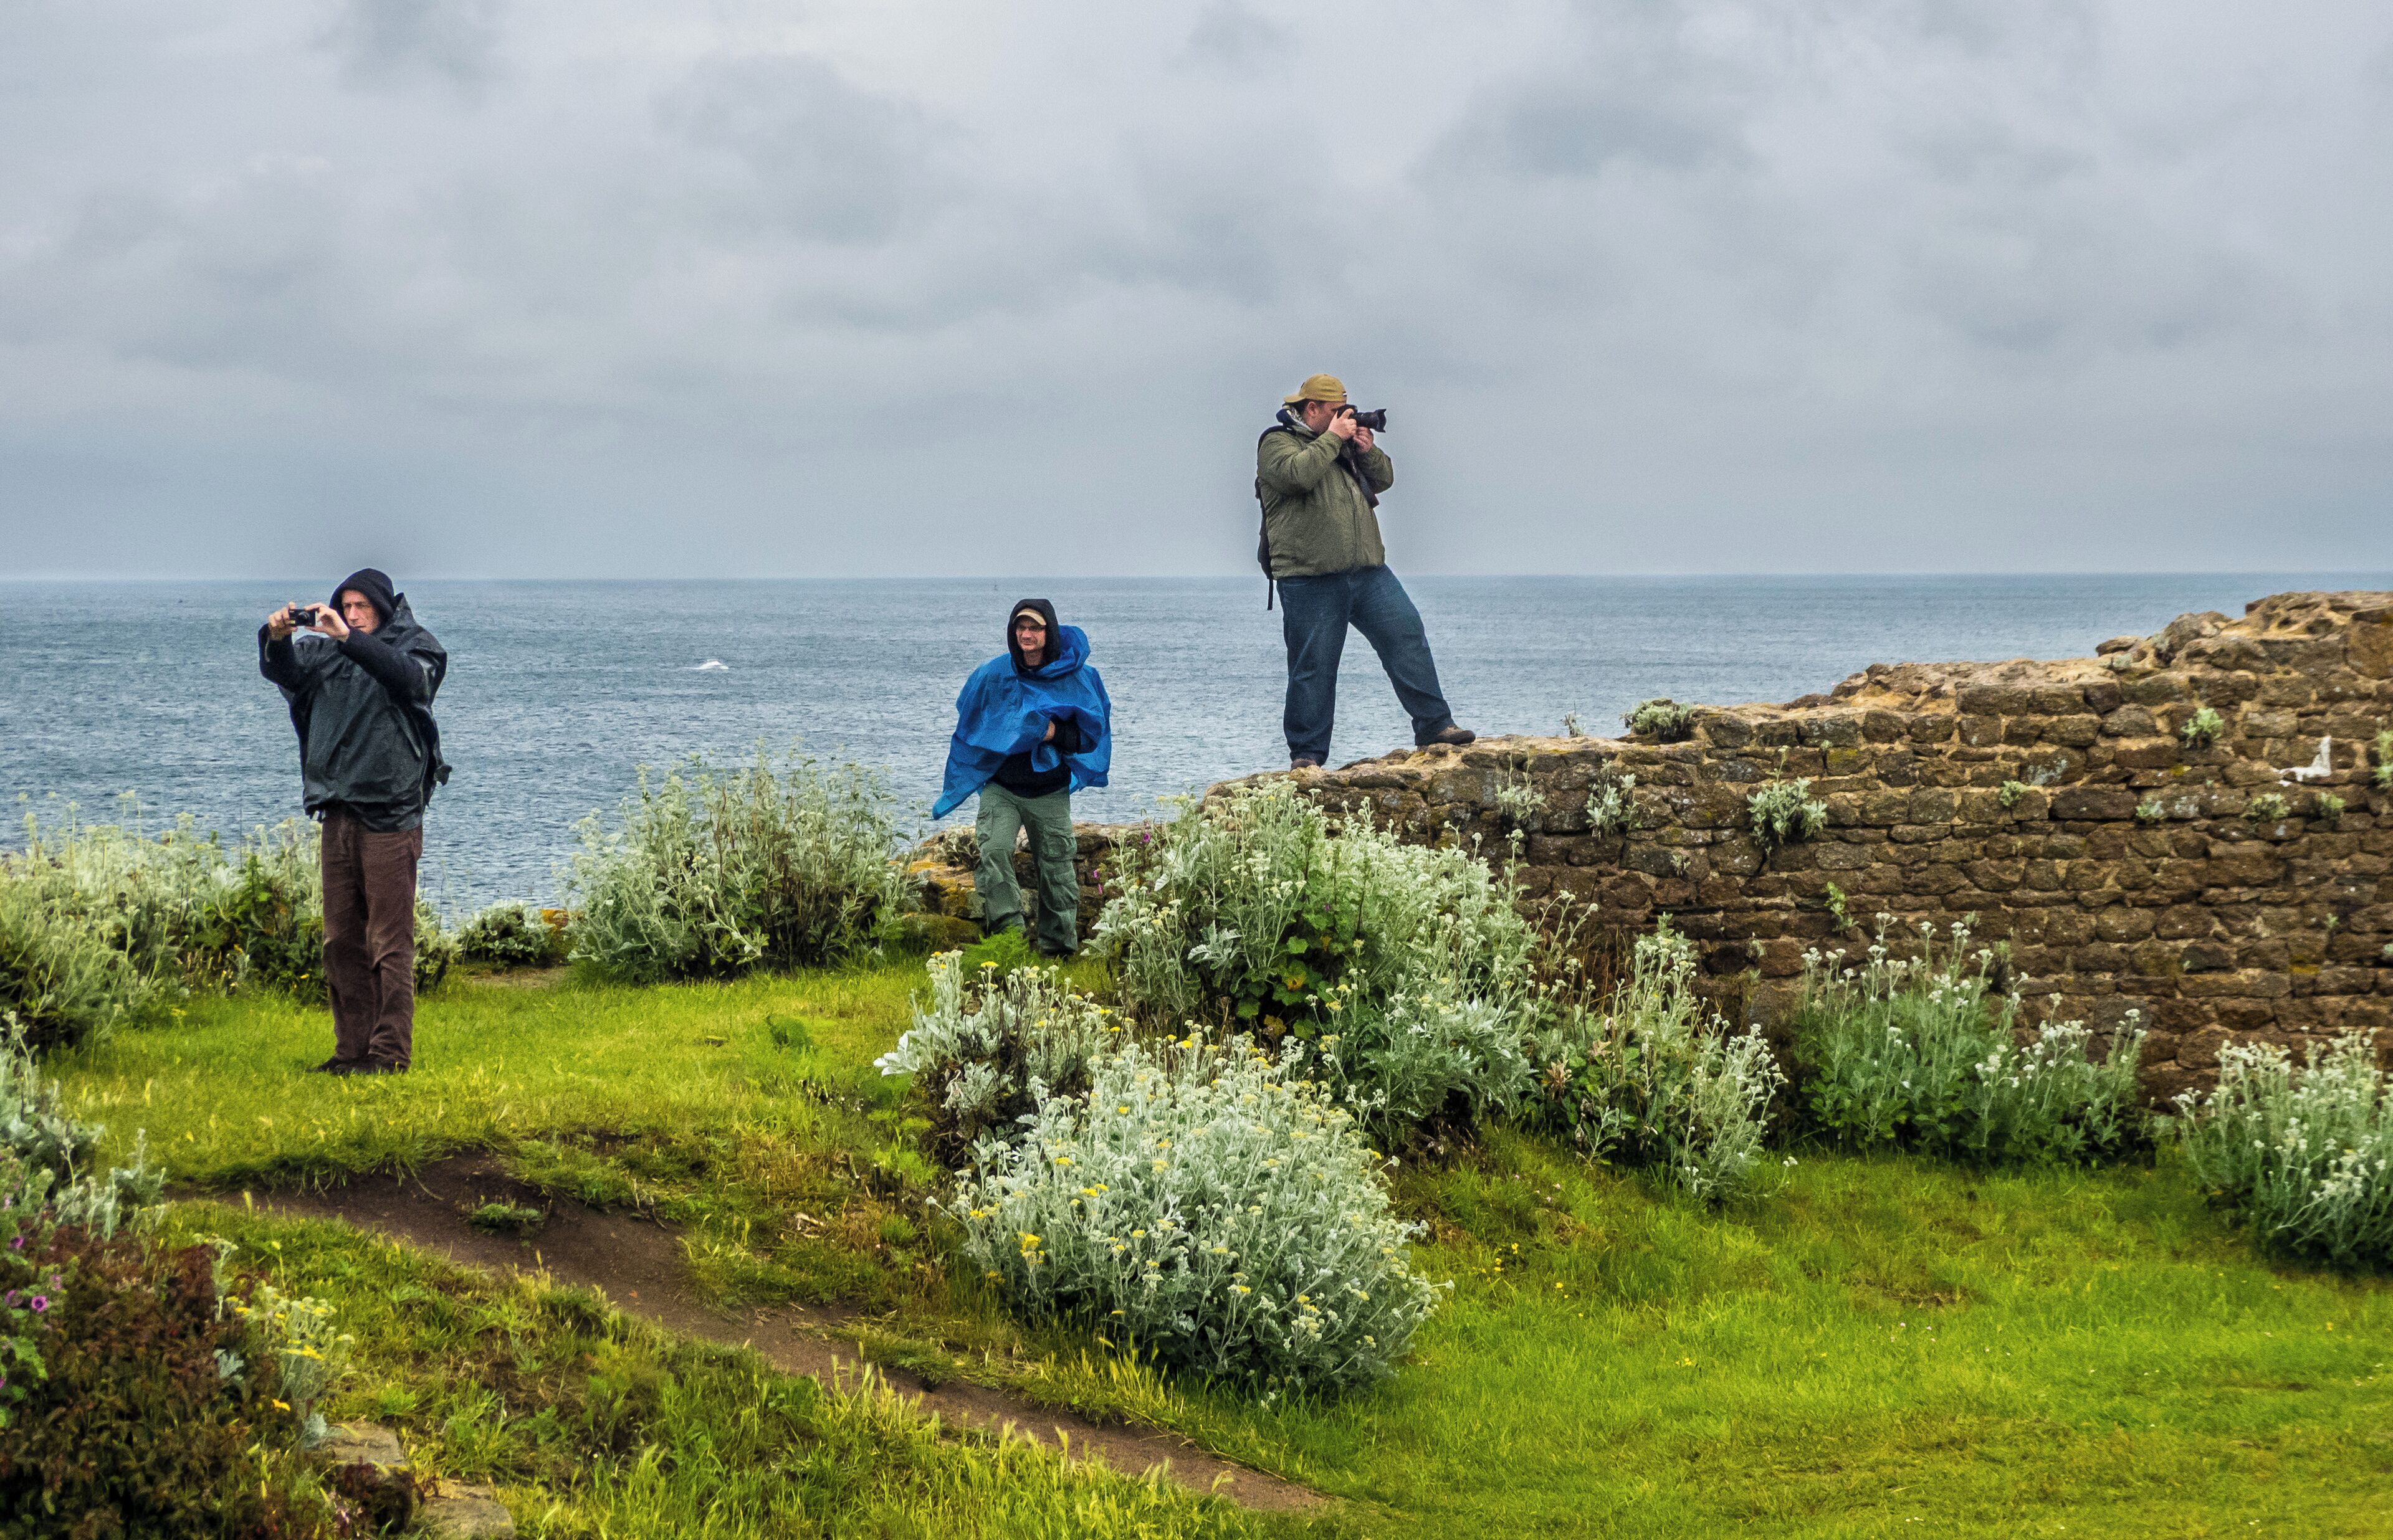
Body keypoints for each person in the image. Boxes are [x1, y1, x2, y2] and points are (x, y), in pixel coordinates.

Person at [257, 569, 449, 1075]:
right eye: (346, 604)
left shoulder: (416, 646)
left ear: (384, 609)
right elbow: (286, 676)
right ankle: (351, 1051)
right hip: (337, 810)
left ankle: (389, 1054)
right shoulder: (324, 654)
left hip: (391, 814)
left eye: (362, 605)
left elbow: (411, 680)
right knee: (340, 940)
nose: (353, 612)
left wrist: (349, 639)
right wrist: (277, 640)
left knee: (389, 942)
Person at [1256, 373, 1475, 769]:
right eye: (1335, 411)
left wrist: (1367, 449)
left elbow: (1384, 479)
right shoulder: (1277, 442)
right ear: (1312, 410)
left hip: (1368, 571)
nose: (1345, 416)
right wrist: (1333, 439)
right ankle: (1307, 756)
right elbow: (1296, 477)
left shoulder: (1337, 444)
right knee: (1314, 667)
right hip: (1310, 576)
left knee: (1407, 635)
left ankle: (1434, 727)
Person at [931, 600, 1112, 958]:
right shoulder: (995, 674)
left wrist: (1050, 732)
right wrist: (1003, 731)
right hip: (1002, 788)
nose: (1026, 634)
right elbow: (970, 718)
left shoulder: (1076, 677)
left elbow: (1089, 736)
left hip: (1050, 790)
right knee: (994, 852)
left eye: (1035, 628)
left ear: (1050, 633)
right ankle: (1010, 941)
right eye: (1020, 627)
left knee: (1058, 868)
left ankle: (1057, 951)